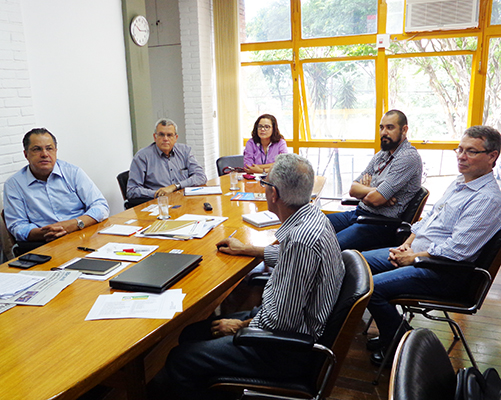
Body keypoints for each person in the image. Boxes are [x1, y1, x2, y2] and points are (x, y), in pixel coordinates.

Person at [158, 154, 345, 399]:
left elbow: (283, 320)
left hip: (285, 348)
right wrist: (248, 249)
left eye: (265, 184)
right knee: (191, 334)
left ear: (274, 194)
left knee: (179, 359)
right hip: (288, 326)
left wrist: (240, 327)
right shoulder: (313, 219)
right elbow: (291, 258)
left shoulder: (301, 241)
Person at [363, 125, 501, 366]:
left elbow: (457, 251)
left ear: (492, 156)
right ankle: (395, 333)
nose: (461, 156)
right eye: (459, 149)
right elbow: (428, 222)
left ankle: (400, 345)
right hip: (420, 256)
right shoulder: (461, 182)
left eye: (471, 151)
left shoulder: (486, 198)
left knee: (370, 288)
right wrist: (406, 246)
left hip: (444, 272)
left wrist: (414, 258)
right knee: (357, 264)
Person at [327, 109, 423, 251]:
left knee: (328, 248)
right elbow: (353, 189)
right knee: (313, 225)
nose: (384, 132)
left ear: (404, 130)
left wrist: (370, 194)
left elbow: (375, 200)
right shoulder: (382, 154)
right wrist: (375, 191)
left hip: (380, 224)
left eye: (390, 127)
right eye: (381, 127)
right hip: (359, 214)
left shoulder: (408, 158)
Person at [3, 128, 109, 245]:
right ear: (26, 154)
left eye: (49, 148)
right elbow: (18, 226)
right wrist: (47, 232)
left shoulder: (72, 172)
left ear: (55, 151)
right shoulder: (14, 184)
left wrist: (74, 224)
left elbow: (101, 206)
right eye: (37, 149)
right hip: (46, 244)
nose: (44, 154)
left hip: (83, 235)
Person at [126, 118, 207, 207]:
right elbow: (132, 190)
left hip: (184, 202)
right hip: (158, 205)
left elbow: (201, 176)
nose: (165, 139)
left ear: (175, 138)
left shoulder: (184, 151)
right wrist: (159, 193)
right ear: (155, 137)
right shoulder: (142, 156)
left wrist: (175, 186)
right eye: (161, 135)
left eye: (169, 135)